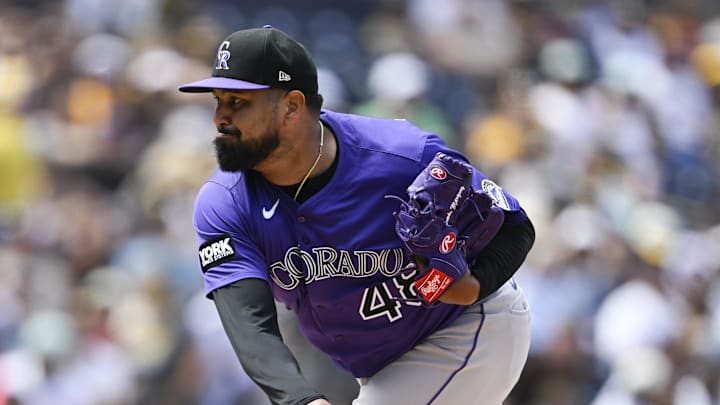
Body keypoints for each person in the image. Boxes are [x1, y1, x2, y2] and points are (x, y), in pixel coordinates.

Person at [178, 25, 535, 405]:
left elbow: (515, 226)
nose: (221, 118)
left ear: (292, 107)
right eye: (219, 100)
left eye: (239, 101)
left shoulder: (402, 156)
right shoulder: (225, 203)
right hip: (381, 366)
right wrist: (300, 398)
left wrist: (475, 284)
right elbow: (248, 323)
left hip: (467, 329)